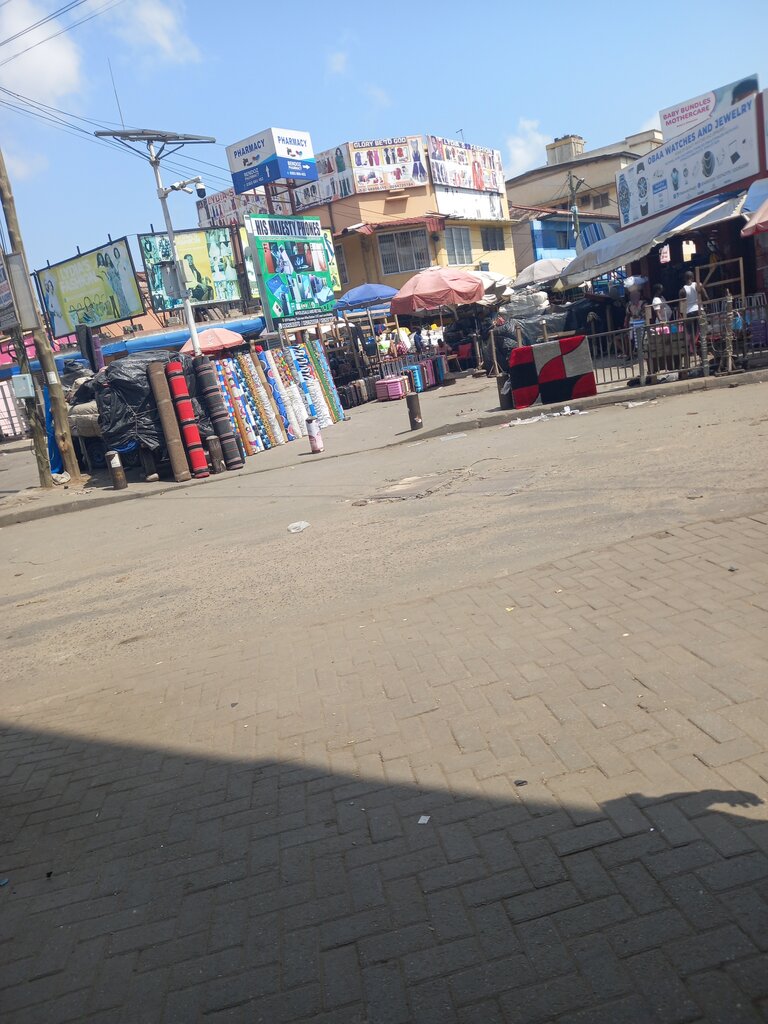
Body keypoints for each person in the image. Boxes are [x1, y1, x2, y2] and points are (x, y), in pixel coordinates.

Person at [679, 271, 707, 350]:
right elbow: (705, 296)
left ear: (684, 279)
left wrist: (682, 316)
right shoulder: (698, 285)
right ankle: (704, 349)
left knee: (691, 333)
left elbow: (681, 306)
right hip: (699, 310)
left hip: (689, 313)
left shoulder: (682, 290)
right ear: (693, 277)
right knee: (703, 330)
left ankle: (693, 350)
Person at [624, 288, 645, 362]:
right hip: (632, 324)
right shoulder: (629, 305)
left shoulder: (643, 303)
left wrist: (640, 314)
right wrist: (626, 324)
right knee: (630, 339)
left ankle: (642, 354)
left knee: (642, 340)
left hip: (641, 324)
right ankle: (630, 355)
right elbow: (628, 315)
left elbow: (645, 313)